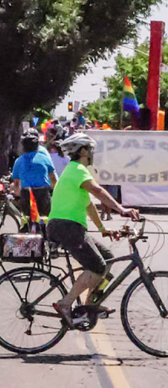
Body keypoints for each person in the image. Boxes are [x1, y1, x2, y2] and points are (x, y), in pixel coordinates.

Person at [48, 133, 139, 328]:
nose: (93, 154)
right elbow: (98, 191)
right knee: (97, 266)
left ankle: (90, 306)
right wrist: (122, 209)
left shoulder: (74, 171)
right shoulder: (77, 169)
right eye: (90, 150)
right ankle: (66, 303)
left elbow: (89, 204)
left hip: (69, 226)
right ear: (82, 151)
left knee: (107, 257)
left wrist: (102, 228)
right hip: (66, 226)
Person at [9, 129, 57, 220]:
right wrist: (55, 192)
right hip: (43, 193)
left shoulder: (19, 161)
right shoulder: (44, 157)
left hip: (26, 194)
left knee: (27, 220)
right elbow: (53, 178)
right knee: (46, 219)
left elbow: (16, 183)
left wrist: (17, 194)